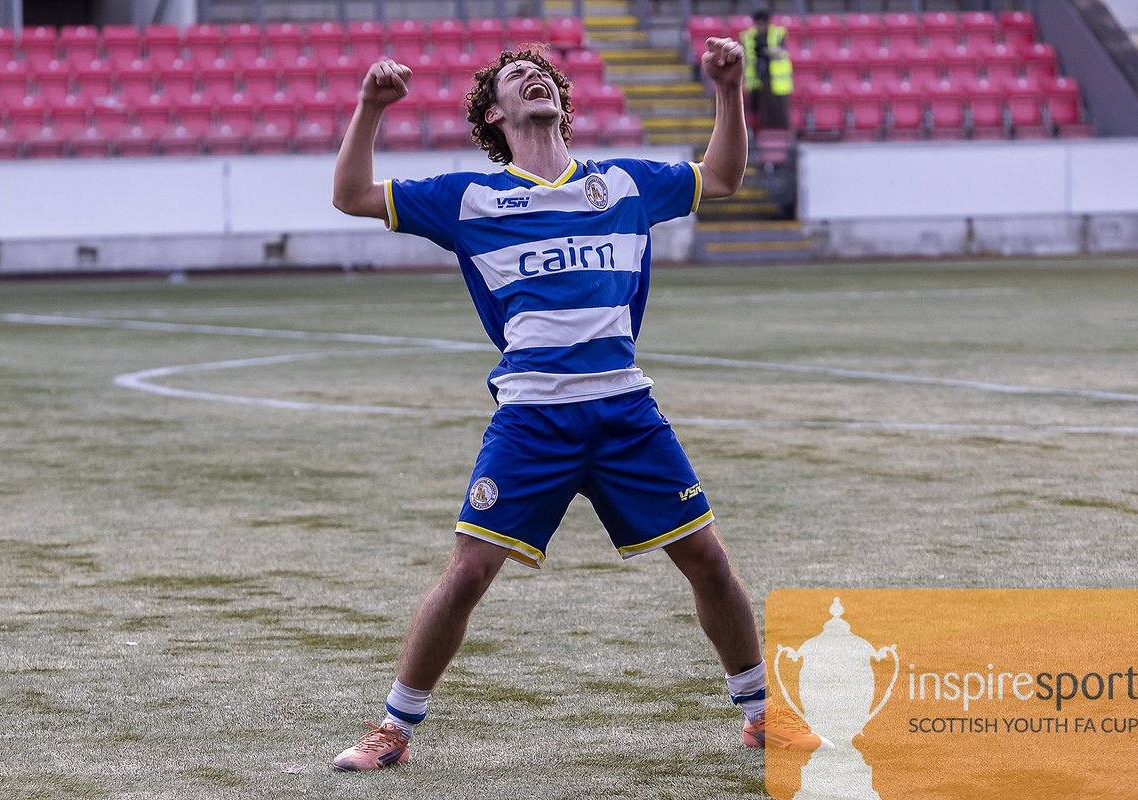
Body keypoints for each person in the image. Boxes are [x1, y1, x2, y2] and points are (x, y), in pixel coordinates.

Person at [328, 37, 831, 772]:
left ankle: (759, 713)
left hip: (626, 410)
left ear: (560, 99)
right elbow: (351, 196)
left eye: (541, 74)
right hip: (533, 415)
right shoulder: (471, 200)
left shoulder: (624, 185)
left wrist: (729, 88)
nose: (532, 77)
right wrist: (371, 107)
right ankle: (394, 729)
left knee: (709, 561)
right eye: (514, 78)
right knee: (468, 572)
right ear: (494, 115)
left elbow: (721, 176)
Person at [740, 9, 793, 135]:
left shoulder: (778, 33)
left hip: (776, 79)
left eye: (763, 23)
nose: (761, 27)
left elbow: (783, 52)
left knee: (778, 110)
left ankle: (781, 135)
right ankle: (755, 135)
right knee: (756, 111)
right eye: (758, 23)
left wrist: (768, 51)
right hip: (756, 79)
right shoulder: (747, 36)